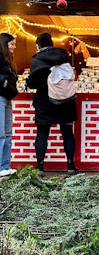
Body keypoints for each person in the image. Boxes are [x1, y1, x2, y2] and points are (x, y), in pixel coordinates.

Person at [27, 32, 78, 175]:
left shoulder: (38, 60)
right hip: (65, 100)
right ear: (52, 44)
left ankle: (40, 166)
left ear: (38, 45)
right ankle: (70, 166)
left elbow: (32, 84)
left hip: (45, 101)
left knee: (42, 132)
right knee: (67, 131)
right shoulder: (63, 56)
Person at [0, 33, 18, 177]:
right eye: (12, 44)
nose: (14, 47)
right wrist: (3, 82)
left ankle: (5, 166)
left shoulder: (9, 60)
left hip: (8, 97)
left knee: (7, 133)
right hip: (1, 96)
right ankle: (1, 167)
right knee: (1, 134)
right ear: (4, 44)